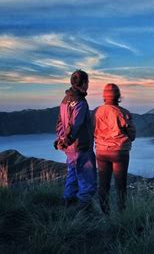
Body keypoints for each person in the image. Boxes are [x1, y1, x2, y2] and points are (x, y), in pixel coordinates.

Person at [55, 69, 97, 209]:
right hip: (81, 146)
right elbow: (76, 123)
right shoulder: (80, 102)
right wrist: (67, 139)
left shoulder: (65, 100)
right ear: (84, 83)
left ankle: (68, 203)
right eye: (88, 82)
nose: (88, 85)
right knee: (87, 178)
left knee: (72, 174)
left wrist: (61, 139)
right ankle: (84, 210)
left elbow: (60, 122)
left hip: (70, 148)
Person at [94, 83, 136, 214]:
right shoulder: (123, 113)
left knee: (103, 184)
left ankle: (105, 213)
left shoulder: (96, 112)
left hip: (101, 151)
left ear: (104, 96)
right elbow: (132, 134)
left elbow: (91, 130)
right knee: (120, 184)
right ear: (118, 96)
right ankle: (121, 213)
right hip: (119, 152)